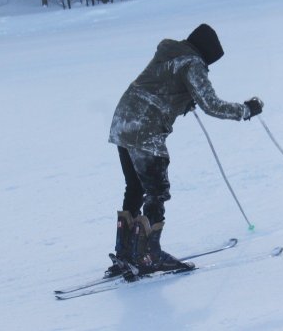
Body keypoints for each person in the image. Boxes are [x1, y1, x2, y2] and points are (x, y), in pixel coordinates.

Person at [106, 24, 263, 278]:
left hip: (123, 120)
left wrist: (181, 100)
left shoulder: (170, 52)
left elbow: (162, 85)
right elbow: (211, 105)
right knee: (156, 192)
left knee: (135, 188)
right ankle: (149, 255)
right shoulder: (193, 63)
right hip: (145, 130)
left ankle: (126, 253)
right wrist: (245, 110)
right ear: (206, 53)